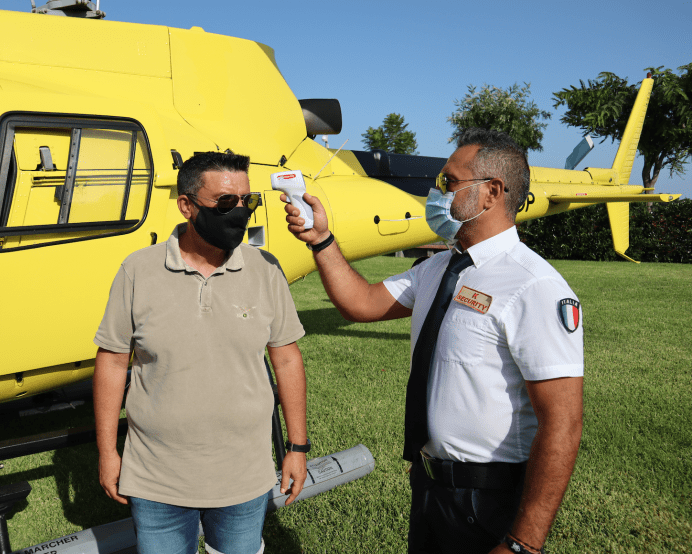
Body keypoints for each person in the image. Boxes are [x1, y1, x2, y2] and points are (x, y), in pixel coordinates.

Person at [281, 129, 583, 554]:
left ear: (491, 192)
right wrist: (321, 241)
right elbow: (362, 303)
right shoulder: (438, 267)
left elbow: (563, 423)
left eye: (449, 182)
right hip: (430, 487)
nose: (436, 192)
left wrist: (523, 543)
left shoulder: (534, 287)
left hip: (488, 500)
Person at [93, 151, 309, 554]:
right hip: (156, 477)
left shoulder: (265, 268)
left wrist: (296, 448)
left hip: (244, 475)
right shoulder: (138, 270)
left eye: (248, 201)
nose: (240, 211)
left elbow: (286, 358)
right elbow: (111, 361)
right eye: (226, 202)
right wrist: (108, 452)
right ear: (187, 206)